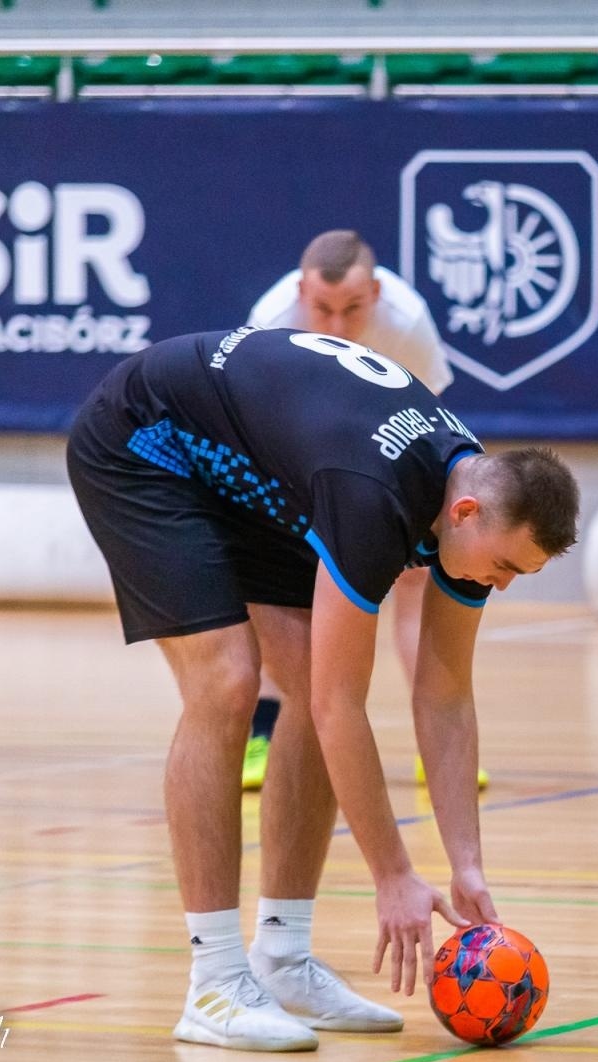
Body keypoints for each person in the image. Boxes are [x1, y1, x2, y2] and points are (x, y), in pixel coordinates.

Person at [66, 325, 579, 1050]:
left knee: (310, 682)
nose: (501, 584)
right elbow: (346, 709)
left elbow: (445, 695)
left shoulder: (469, 501)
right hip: (143, 444)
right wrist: (392, 874)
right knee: (229, 681)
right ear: (465, 515)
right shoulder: (374, 497)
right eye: (505, 566)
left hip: (249, 471)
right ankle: (213, 985)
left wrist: (466, 864)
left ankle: (280, 956)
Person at [244, 230, 487, 793]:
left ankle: (438, 744)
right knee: (270, 592)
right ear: (301, 290)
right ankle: (263, 734)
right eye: (322, 308)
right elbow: (256, 430)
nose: (335, 326)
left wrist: (415, 519)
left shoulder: (408, 321)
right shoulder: (269, 320)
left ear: (376, 293)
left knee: (415, 588)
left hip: (378, 456)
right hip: (289, 461)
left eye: (352, 309)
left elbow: (428, 426)